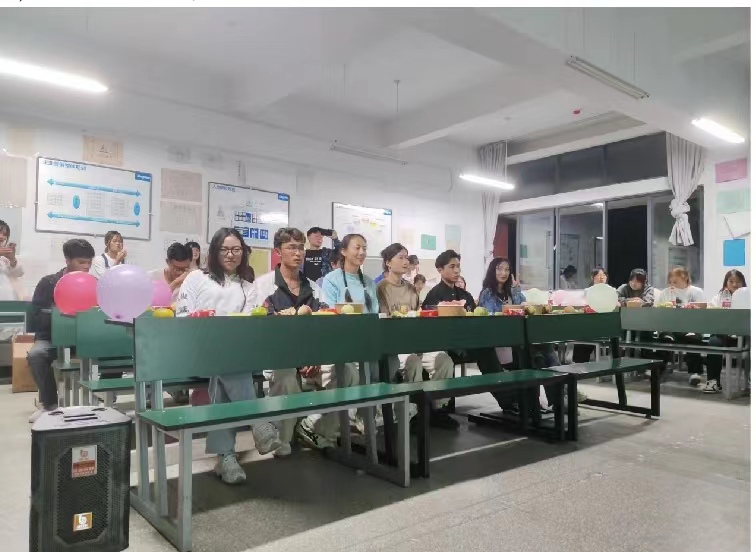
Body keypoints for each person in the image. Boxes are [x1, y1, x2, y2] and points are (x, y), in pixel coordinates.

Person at [176, 228, 280, 484]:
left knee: (226, 374)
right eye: (224, 249)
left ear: (243, 253)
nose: (231, 255)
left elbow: (250, 325)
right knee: (231, 368)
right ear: (214, 251)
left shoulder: (248, 286)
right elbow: (182, 315)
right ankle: (258, 422)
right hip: (198, 349)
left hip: (233, 356)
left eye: (236, 249)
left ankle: (226, 457)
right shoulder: (196, 278)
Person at [251, 227, 331, 456]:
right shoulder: (263, 286)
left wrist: (314, 356)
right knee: (286, 375)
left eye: (301, 248)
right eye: (291, 248)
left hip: (312, 357)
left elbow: (325, 325)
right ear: (278, 251)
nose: (298, 253)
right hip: (278, 357)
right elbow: (262, 330)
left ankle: (317, 428)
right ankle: (283, 438)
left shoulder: (313, 288)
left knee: (347, 373)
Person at [376, 243, 456, 428]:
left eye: (407, 257)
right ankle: (413, 414)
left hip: (416, 342)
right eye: (400, 257)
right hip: (395, 346)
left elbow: (418, 314)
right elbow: (384, 322)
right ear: (388, 262)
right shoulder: (381, 288)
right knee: (412, 361)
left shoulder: (412, 289)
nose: (406, 261)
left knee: (444, 360)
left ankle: (437, 410)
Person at [477, 257, 570, 411]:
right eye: (499, 269)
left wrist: (516, 291)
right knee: (536, 355)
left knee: (545, 348)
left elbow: (525, 308)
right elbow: (490, 318)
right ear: (492, 271)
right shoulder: (487, 293)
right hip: (501, 339)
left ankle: (558, 397)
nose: (503, 273)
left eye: (507, 269)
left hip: (519, 337)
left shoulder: (513, 291)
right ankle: (553, 398)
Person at [422, 251, 506, 410]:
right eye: (452, 267)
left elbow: (474, 320)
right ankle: (444, 410)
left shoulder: (465, 295)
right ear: (440, 270)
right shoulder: (434, 295)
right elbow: (431, 327)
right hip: (446, 345)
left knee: (487, 350)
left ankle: (507, 401)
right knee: (447, 357)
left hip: (467, 343)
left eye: (458, 266)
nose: (456, 271)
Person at [27, 239, 95, 423]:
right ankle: (49, 405)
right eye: (81, 262)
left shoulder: (94, 283)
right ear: (67, 260)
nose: (86, 267)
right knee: (37, 355)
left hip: (84, 338)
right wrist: (58, 315)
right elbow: (37, 313)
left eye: (89, 262)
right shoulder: (48, 283)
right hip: (51, 337)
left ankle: (105, 400)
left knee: (114, 351)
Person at [658, 267, 707, 386]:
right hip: (670, 327)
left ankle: (695, 372)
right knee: (665, 338)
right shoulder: (665, 293)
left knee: (692, 338)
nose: (672, 284)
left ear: (685, 278)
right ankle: (659, 369)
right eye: (671, 281)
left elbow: (703, 311)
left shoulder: (696, 292)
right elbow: (657, 310)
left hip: (691, 326)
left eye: (675, 281)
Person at [703, 270, 748, 393]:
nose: (734, 284)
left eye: (738, 282)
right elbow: (711, 312)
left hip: (744, 335)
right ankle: (713, 381)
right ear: (726, 283)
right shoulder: (719, 297)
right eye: (731, 281)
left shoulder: (749, 297)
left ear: (743, 283)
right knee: (713, 343)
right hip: (722, 333)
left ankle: (749, 380)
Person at [321, 234, 378, 313]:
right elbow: (330, 311)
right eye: (357, 248)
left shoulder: (368, 281)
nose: (362, 252)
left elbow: (374, 311)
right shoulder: (331, 280)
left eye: (364, 249)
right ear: (344, 251)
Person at [572, 267, 608, 364]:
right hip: (589, 322)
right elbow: (583, 306)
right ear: (593, 278)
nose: (601, 278)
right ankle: (579, 362)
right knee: (582, 333)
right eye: (598, 275)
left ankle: (581, 361)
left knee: (589, 333)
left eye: (603, 275)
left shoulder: (610, 291)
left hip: (603, 323)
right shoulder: (587, 291)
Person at [0, 219, 23, 301]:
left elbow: (19, 273)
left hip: (9, 300)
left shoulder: (5, 257)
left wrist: (12, 259)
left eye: (5, 234)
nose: (1, 237)